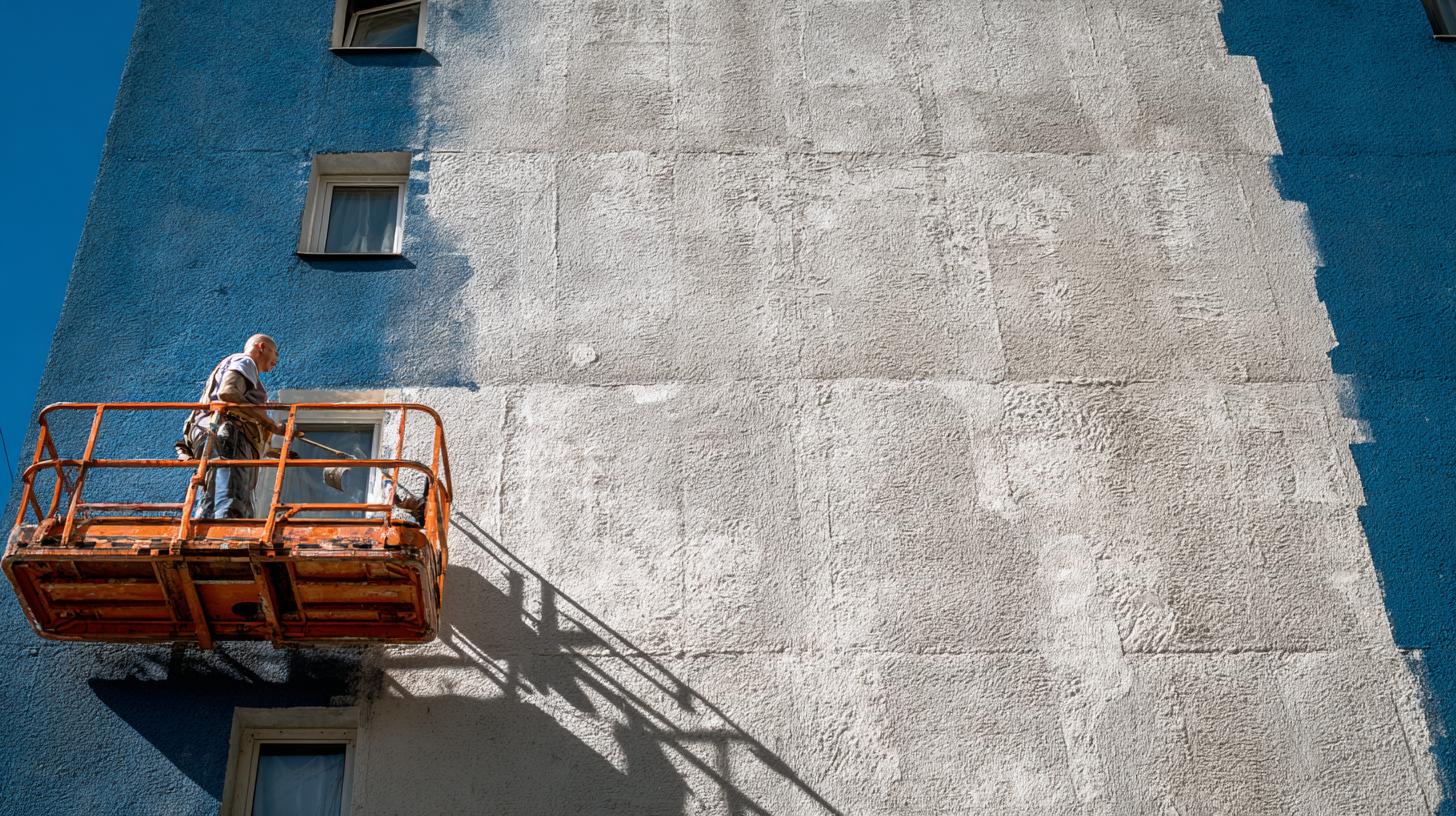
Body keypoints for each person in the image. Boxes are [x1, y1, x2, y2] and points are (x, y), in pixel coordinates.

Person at [184, 334, 284, 518]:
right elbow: (228, 392)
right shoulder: (246, 361)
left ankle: (208, 529)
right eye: (275, 352)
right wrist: (270, 424)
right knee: (231, 499)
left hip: (212, 433)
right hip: (228, 433)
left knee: (213, 496)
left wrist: (277, 452)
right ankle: (226, 535)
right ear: (261, 347)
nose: (276, 360)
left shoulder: (236, 366)